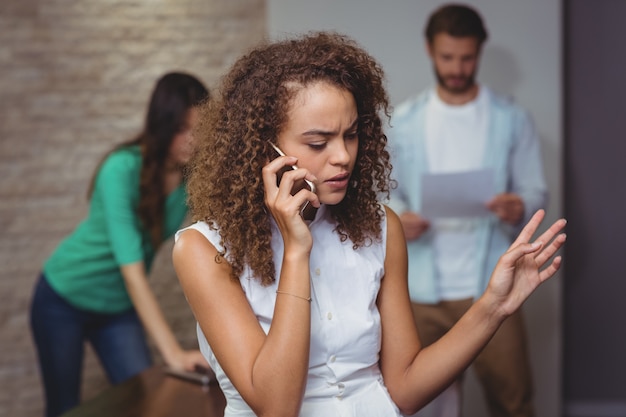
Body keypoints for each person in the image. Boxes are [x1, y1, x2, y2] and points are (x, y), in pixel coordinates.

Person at [172, 32, 565, 417]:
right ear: (262, 148)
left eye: (352, 134)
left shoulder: (380, 228)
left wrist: (493, 306)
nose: (343, 156)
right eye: (317, 143)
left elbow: (406, 388)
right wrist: (296, 251)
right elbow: (276, 408)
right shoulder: (204, 249)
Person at [386, 4, 549, 417]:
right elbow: (384, 191)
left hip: (494, 284)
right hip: (419, 291)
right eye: (447, 57)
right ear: (430, 50)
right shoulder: (404, 122)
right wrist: (400, 215)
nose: (457, 68)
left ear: (479, 52)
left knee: (513, 402)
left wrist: (519, 206)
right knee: (415, 405)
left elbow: (534, 191)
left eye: (466, 58)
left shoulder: (511, 119)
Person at [30, 72, 210, 417]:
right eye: (182, 130)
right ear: (161, 126)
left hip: (117, 308)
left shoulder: (191, 179)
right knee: (64, 407)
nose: (193, 141)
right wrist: (173, 354)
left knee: (145, 400)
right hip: (63, 298)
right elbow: (132, 273)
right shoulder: (121, 168)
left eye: (200, 130)